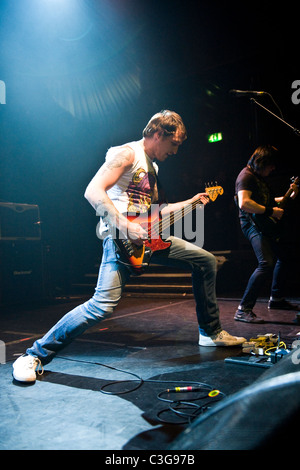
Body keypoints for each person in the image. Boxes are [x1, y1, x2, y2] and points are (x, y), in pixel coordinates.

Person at [13, 110, 246, 383]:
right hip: (120, 240)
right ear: (159, 134)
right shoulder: (127, 154)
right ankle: (33, 355)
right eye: (175, 144)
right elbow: (93, 190)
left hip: (147, 238)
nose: (176, 151)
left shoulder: (153, 167)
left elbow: (155, 213)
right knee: (101, 306)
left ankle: (210, 332)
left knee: (205, 260)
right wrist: (125, 226)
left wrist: (193, 202)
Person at [234, 144, 299, 323]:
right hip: (252, 225)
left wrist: (289, 195)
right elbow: (244, 203)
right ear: (262, 162)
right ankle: (243, 309)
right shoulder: (246, 177)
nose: (273, 168)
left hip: (262, 222)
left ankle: (276, 299)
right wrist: (271, 212)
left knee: (284, 256)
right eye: (270, 165)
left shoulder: (258, 177)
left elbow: (269, 202)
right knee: (266, 263)